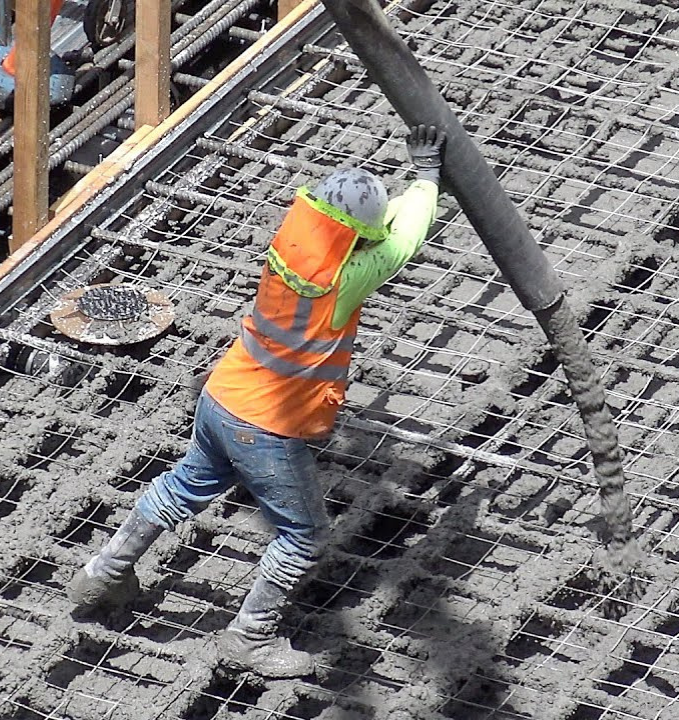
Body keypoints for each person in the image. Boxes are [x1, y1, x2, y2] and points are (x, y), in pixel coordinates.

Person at [67, 124, 447, 678]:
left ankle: (106, 569)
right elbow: (404, 240)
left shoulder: (292, 248)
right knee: (304, 534)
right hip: (267, 427)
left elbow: (369, 236)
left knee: (182, 488)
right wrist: (427, 177)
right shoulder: (349, 278)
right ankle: (249, 637)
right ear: (357, 239)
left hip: (222, 397)